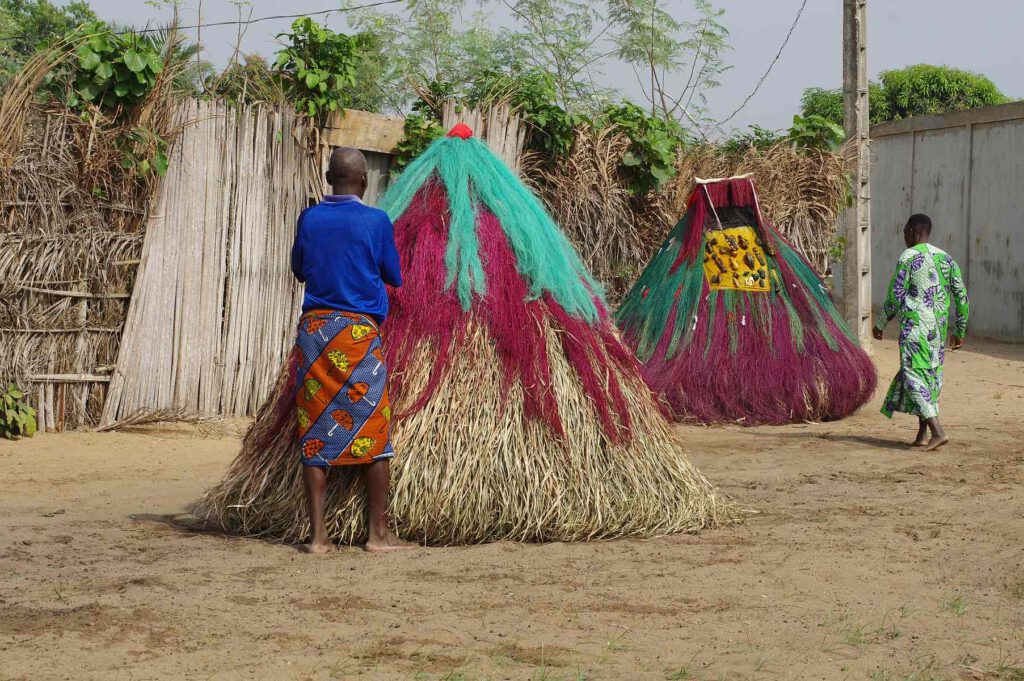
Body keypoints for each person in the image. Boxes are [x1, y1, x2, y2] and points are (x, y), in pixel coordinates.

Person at [290, 146, 411, 553]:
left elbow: (300, 269)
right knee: (373, 428)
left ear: (328, 178)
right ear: (363, 181)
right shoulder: (375, 221)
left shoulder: (309, 218)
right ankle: (377, 536)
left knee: (314, 429)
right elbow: (393, 274)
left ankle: (318, 538)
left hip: (316, 333)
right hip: (358, 335)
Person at [873, 214, 969, 451]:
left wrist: (881, 323)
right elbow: (962, 296)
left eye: (905, 231)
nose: (904, 236)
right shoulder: (946, 258)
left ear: (914, 230)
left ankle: (938, 431)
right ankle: (922, 433)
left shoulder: (908, 257)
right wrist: (961, 328)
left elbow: (896, 294)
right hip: (937, 331)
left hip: (914, 330)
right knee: (930, 377)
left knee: (913, 375)